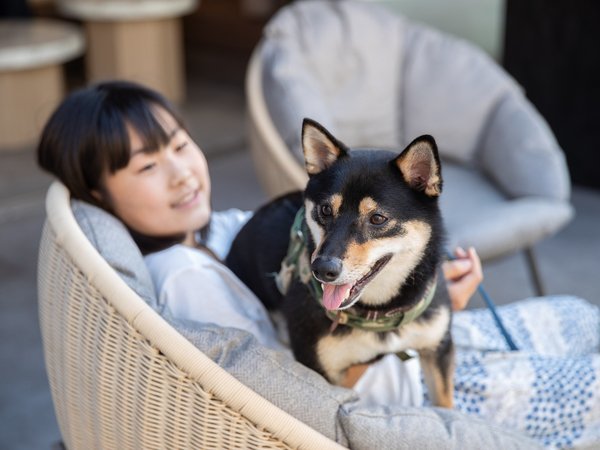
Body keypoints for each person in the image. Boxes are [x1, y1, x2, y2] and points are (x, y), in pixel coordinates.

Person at [37, 81, 599, 449]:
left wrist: (417, 288)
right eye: (146, 167)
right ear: (98, 193)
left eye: (181, 146)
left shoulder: (209, 230)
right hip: (399, 400)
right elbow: (284, 389)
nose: (182, 173)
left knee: (579, 317)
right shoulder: (187, 281)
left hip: (407, 340)